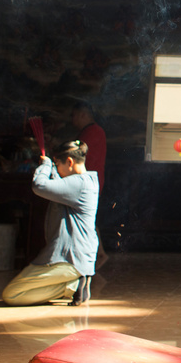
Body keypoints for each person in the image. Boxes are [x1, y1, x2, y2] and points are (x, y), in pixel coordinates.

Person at [2, 140, 99, 306]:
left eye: (57, 163)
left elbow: (39, 185)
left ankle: (71, 286)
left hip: (70, 259)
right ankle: (71, 284)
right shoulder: (86, 181)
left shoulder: (78, 183)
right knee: (15, 292)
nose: (57, 167)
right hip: (79, 256)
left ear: (69, 162)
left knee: (12, 294)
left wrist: (46, 165)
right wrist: (51, 166)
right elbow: (56, 183)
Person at [72, 101, 108, 266]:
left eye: (74, 115)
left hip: (88, 182)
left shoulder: (91, 132)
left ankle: (98, 252)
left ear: (83, 115)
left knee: (86, 218)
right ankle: (99, 252)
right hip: (92, 181)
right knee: (88, 218)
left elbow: (78, 155)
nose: (73, 120)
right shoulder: (93, 131)